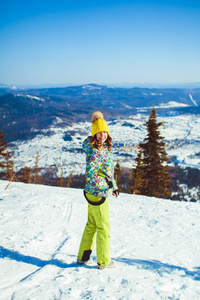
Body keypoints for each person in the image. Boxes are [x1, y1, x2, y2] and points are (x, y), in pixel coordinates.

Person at [77, 111, 119, 270]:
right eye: (98, 132)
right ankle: (104, 261)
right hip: (97, 193)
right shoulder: (96, 152)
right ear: (94, 134)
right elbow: (91, 174)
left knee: (92, 225)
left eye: (104, 132)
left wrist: (114, 186)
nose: (102, 135)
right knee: (103, 227)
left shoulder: (100, 148)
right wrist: (105, 186)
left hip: (92, 192)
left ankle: (83, 257)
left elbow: (107, 171)